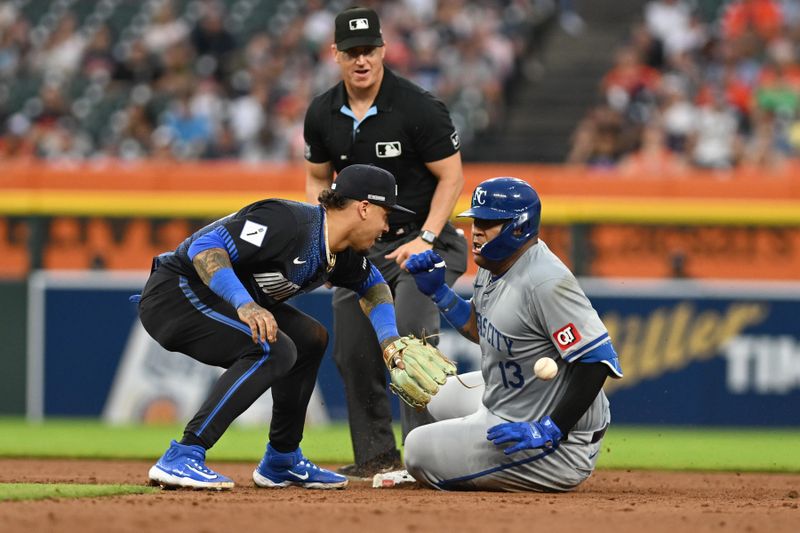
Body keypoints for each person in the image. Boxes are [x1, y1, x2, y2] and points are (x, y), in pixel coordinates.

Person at [138, 164, 418, 490]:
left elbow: (375, 287)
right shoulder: (288, 221)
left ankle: (282, 459)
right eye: (386, 214)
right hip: (177, 293)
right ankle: (184, 454)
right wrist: (245, 304)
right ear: (364, 208)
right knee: (273, 348)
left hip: (215, 299)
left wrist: (389, 341)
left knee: (311, 339)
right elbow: (205, 248)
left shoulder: (341, 253)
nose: (387, 226)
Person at [304, 6, 467, 477]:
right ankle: (376, 455)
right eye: (351, 51)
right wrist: (327, 232)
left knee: (413, 341)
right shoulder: (322, 113)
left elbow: (451, 177)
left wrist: (428, 238)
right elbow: (317, 178)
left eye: (369, 50)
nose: (361, 60)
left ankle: (423, 457)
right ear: (335, 54)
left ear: (383, 50)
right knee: (353, 350)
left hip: (423, 240)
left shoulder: (418, 106)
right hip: (360, 251)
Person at [402, 177, 623, 491]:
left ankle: (460, 459)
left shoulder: (545, 281)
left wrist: (551, 428)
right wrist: (441, 293)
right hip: (517, 396)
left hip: (558, 442)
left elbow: (598, 360)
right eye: (476, 220)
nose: (476, 230)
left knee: (416, 450)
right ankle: (471, 442)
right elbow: (482, 329)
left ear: (519, 227)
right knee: (432, 394)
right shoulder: (493, 263)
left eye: (489, 222)